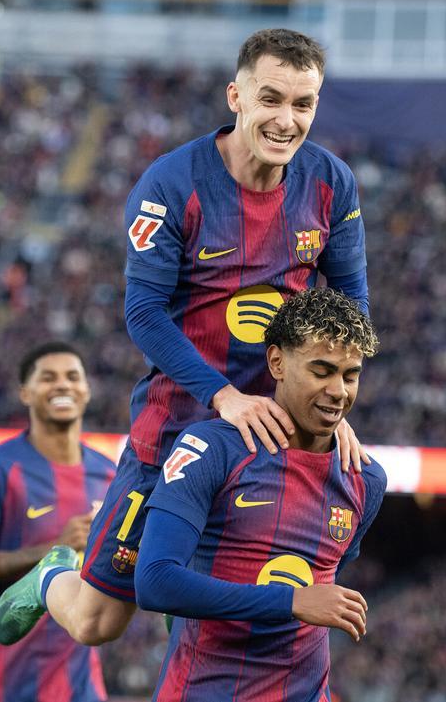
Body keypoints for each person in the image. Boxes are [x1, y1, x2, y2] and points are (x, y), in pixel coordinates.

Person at [0, 27, 371, 647]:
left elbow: (350, 303)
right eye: (270, 99)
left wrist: (330, 404)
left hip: (272, 436)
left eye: (302, 104)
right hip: (176, 426)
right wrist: (224, 396)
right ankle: (52, 576)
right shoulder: (172, 186)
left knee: (224, 608)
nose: (286, 120)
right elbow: (143, 314)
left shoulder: (332, 184)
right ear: (236, 97)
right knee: (96, 624)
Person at [136, 287, 385, 700]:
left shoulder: (365, 479)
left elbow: (327, 582)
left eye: (350, 375)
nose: (339, 390)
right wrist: (289, 602)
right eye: (321, 371)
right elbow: (155, 582)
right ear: (277, 362)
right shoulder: (213, 448)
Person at [0, 342, 116, 702]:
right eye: (48, 378)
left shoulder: (109, 474)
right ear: (25, 392)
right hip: (0, 684)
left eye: (73, 377)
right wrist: (54, 552)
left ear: (86, 390)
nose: (63, 385)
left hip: (80, 685)